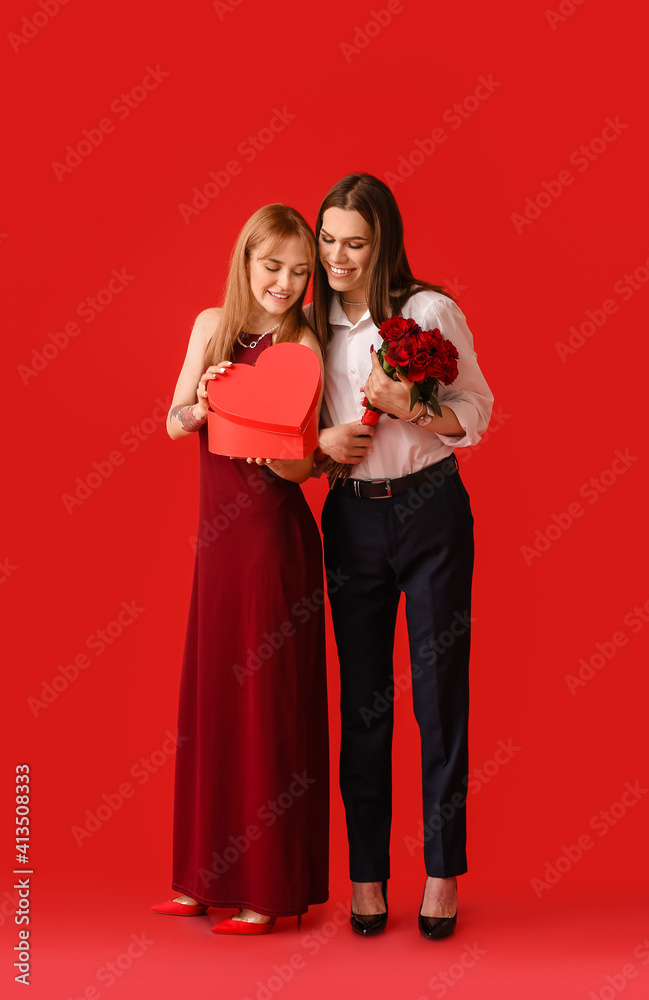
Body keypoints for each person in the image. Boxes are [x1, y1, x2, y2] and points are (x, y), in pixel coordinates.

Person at [308, 173, 493, 939]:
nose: (336, 257)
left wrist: (413, 406)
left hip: (430, 512)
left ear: (382, 240)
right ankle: (366, 876)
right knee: (363, 702)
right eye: (327, 240)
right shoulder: (311, 324)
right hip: (351, 516)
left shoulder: (427, 311)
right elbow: (291, 431)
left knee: (438, 696)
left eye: (353, 243)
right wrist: (322, 445)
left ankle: (442, 874)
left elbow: (476, 409)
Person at [152, 204, 329, 935]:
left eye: (300, 271)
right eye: (272, 265)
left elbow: (306, 466)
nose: (285, 282)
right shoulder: (209, 326)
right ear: (245, 262)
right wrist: (201, 402)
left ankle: (266, 891)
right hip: (217, 547)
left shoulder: (305, 340)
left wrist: (275, 451)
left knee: (266, 709)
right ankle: (202, 879)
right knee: (214, 703)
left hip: (273, 543)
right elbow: (172, 422)